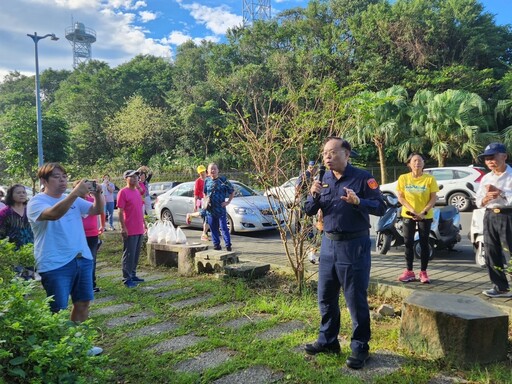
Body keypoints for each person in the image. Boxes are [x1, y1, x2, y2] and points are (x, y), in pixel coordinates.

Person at [303, 137, 386, 370]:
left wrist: (359, 201)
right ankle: (327, 341)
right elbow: (309, 210)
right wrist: (313, 194)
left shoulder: (362, 178)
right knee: (326, 296)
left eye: (332, 152)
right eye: (324, 153)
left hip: (354, 246)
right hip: (328, 245)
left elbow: (380, 207)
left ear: (346, 154)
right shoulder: (323, 178)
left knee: (354, 299)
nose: (327, 157)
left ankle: (360, 347)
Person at [27, 163, 104, 356]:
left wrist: (98, 194)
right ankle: (60, 351)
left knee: (83, 302)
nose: (63, 180)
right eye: (57, 177)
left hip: (82, 257)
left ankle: (79, 345)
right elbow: (53, 214)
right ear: (43, 181)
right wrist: (74, 194)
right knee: (58, 309)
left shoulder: (72, 198)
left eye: (64, 176)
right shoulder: (36, 202)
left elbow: (96, 211)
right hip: (54, 263)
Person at [475, 143, 512, 298]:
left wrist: (501, 193)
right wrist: (485, 199)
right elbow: (477, 201)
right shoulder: (486, 178)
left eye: (493, 157)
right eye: (487, 159)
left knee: (510, 252)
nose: (490, 161)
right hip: (490, 215)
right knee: (491, 251)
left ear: (504, 156)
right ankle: (500, 287)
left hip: (508, 215)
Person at [396, 153, 439, 284]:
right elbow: (401, 197)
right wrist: (413, 210)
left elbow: (433, 198)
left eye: (420, 161)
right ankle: (409, 271)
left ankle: (423, 272)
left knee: (424, 243)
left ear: (423, 163)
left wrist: (423, 212)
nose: (417, 163)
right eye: (414, 161)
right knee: (408, 243)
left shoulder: (430, 179)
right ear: (409, 164)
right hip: (408, 215)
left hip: (425, 215)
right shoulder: (403, 178)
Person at [118, 170, 147, 288]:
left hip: (139, 227)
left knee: (136, 254)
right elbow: (120, 211)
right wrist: (123, 227)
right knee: (129, 254)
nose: (135, 179)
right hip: (129, 228)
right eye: (132, 177)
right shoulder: (123, 192)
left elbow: (139, 209)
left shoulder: (136, 191)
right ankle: (127, 278)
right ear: (126, 179)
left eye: (136, 177)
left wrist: (144, 223)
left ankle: (133, 274)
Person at [74, 180, 103, 293]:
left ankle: (91, 283)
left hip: (92, 234)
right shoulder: (73, 202)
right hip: (80, 235)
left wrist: (98, 194)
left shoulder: (92, 200)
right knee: (80, 260)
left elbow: (99, 211)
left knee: (92, 260)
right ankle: (81, 284)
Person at [204, 163, 235, 251]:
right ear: (208, 171)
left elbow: (232, 191)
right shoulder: (207, 181)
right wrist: (206, 201)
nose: (213, 171)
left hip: (220, 209)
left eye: (214, 169)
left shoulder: (223, 180)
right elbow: (205, 193)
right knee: (213, 229)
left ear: (218, 170)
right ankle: (216, 245)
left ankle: (228, 245)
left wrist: (228, 202)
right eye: (211, 169)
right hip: (210, 209)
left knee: (223, 228)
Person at [0, 184, 34, 249]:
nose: (22, 194)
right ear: (11, 195)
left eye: (24, 192)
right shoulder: (5, 213)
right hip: (12, 252)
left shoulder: (31, 210)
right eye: (18, 193)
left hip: (32, 248)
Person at [186, 164, 210, 241]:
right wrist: (195, 205)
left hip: (209, 200)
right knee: (205, 215)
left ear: (206, 171)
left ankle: (205, 233)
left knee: (205, 216)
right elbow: (196, 194)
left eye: (203, 172)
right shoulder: (198, 181)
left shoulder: (209, 179)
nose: (202, 174)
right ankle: (204, 234)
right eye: (200, 173)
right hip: (202, 201)